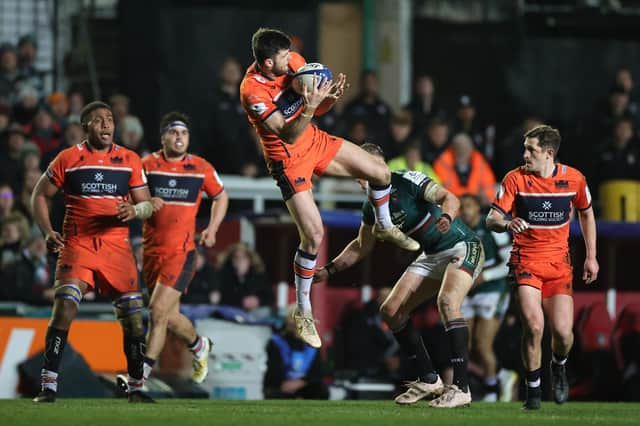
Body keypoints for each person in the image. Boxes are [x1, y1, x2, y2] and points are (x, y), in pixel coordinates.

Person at [240, 28, 419, 348]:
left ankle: (385, 224)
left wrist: (328, 97)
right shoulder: (252, 91)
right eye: (282, 58)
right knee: (314, 235)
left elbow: (315, 111)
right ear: (267, 63)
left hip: (316, 142)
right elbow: (288, 134)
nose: (290, 60)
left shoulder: (294, 60)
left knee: (380, 171)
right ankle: (304, 311)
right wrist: (311, 105)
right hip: (288, 160)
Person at [314, 143, 484, 408]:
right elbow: (361, 245)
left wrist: (447, 217)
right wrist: (328, 270)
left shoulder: (407, 180)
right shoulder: (371, 207)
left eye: (367, 166)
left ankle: (461, 387)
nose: (362, 174)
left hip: (462, 245)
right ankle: (429, 378)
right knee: (391, 310)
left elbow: (450, 198)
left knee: (448, 302)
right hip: (431, 254)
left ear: (381, 167)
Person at [30, 101, 155, 403]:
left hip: (117, 247)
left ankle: (136, 388)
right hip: (79, 243)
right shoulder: (69, 158)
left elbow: (149, 205)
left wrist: (134, 209)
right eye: (98, 120)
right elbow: (39, 195)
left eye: (110, 119)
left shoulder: (129, 159)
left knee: (134, 320)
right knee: (65, 307)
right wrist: (48, 231)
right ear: (85, 126)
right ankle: (48, 386)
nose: (106, 124)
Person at [486, 124, 599, 410]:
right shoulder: (515, 179)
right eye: (524, 148)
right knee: (534, 326)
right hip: (526, 261)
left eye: (530, 150)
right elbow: (492, 219)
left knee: (562, 333)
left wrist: (591, 256)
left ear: (548, 153)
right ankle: (533, 390)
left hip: (559, 265)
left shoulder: (573, 179)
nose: (524, 154)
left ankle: (559, 366)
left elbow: (587, 214)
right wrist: (507, 222)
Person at [137, 111, 228, 385]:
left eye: (184, 133)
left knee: (156, 313)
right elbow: (131, 198)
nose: (179, 137)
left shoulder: (200, 167)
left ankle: (138, 378)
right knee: (169, 317)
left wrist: (212, 229)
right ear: (163, 137)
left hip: (182, 253)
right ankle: (200, 345)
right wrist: (144, 203)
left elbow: (221, 197)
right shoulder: (146, 165)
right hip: (152, 253)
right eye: (174, 132)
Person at [458, 194, 511, 402]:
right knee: (463, 345)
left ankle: (491, 392)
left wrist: (484, 276)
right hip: (467, 291)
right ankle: (498, 376)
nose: (464, 210)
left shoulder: (491, 227)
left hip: (492, 289)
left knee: (482, 344)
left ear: (478, 208)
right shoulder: (458, 230)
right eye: (462, 206)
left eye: (469, 205)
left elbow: (509, 262)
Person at [264, 304, 329, 400]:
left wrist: (301, 382)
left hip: (305, 384)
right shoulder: (276, 342)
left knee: (320, 389)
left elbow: (318, 369)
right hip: (281, 383)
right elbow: (274, 368)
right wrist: (285, 383)